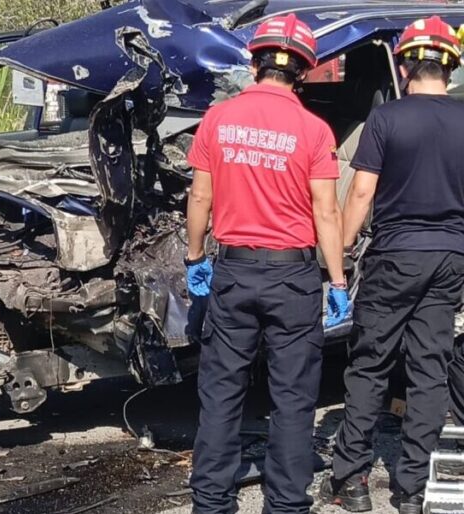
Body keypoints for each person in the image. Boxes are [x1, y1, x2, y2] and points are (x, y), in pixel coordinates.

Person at [185, 13, 349, 514]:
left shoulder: (218, 120)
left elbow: (199, 197)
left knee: (221, 393)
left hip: (233, 273)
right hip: (293, 278)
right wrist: (338, 281)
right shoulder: (315, 131)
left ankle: (211, 502)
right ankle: (285, 505)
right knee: (294, 399)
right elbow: (326, 210)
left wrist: (195, 256)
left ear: (255, 63)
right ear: (301, 72)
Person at [321, 16, 464, 514]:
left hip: (395, 256)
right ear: (451, 66)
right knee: (430, 370)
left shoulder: (388, 118)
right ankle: (411, 491)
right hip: (450, 259)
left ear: (404, 65)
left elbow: (361, 192)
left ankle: (351, 483)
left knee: (371, 363)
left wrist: (335, 256)